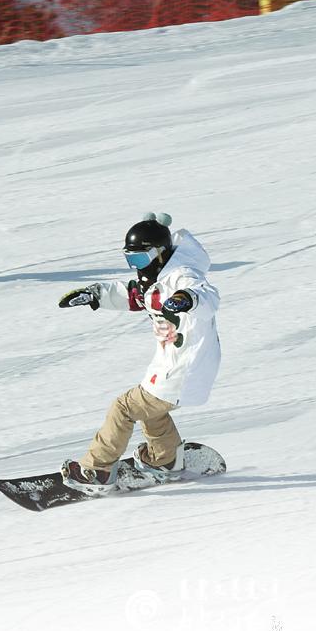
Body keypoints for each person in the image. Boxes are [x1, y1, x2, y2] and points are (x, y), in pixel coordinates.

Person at [58, 212, 221, 494]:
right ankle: (166, 460)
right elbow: (134, 294)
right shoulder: (157, 277)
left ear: (159, 254)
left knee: (124, 408)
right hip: (173, 362)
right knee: (151, 410)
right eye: (131, 260)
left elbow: (206, 294)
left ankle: (97, 470)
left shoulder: (183, 275)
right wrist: (96, 294)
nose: (137, 266)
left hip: (185, 366)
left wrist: (187, 298)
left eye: (140, 259)